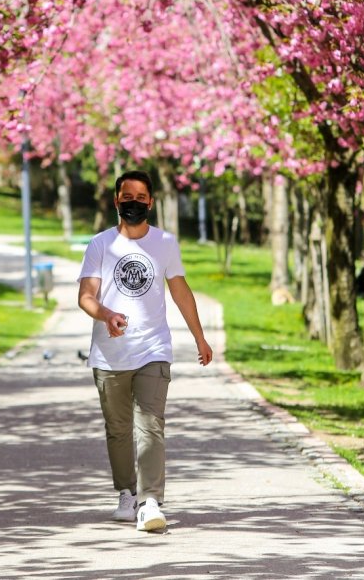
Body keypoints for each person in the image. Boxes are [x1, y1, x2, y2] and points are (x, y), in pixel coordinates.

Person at [78, 169, 213, 532]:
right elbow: (86, 296)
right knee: (118, 429)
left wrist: (200, 337)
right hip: (110, 354)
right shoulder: (100, 245)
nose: (134, 203)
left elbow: (180, 291)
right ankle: (126, 492)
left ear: (151, 203)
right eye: (127, 197)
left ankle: (150, 500)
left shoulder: (165, 243)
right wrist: (105, 314)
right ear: (116, 201)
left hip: (154, 348)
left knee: (150, 424)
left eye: (141, 198)